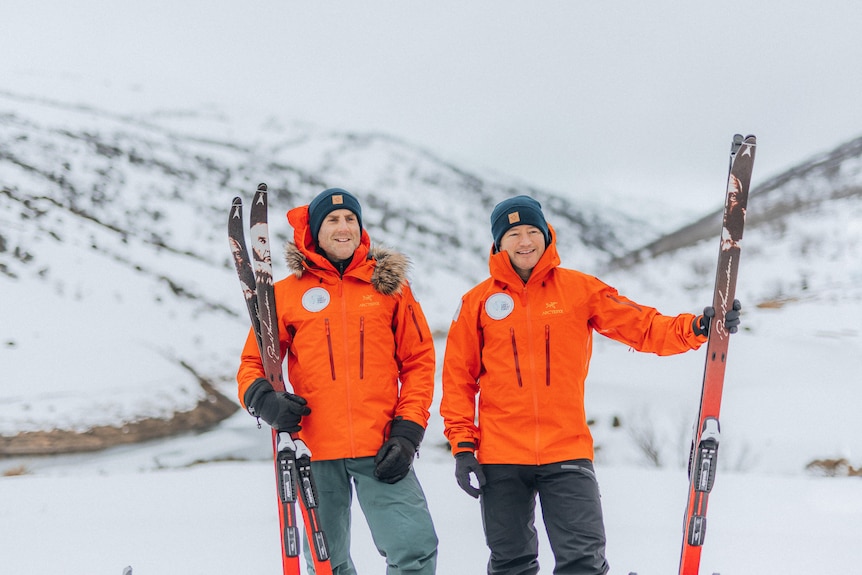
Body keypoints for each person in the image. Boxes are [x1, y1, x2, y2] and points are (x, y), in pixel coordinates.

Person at [440, 195, 741, 575]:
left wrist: (696, 328)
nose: (524, 241)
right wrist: (463, 446)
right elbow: (457, 381)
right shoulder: (476, 303)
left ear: (547, 235)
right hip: (500, 456)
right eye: (513, 233)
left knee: (583, 563)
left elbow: (642, 326)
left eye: (532, 230)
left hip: (566, 452)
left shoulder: (579, 290)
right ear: (499, 243)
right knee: (510, 564)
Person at [237, 188, 438, 575]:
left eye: (350, 219)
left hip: (382, 445)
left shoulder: (389, 290)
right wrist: (262, 399)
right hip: (312, 450)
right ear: (314, 230)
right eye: (332, 220)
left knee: (414, 548)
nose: (343, 227)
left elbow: (418, 362)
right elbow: (252, 364)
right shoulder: (285, 295)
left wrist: (409, 429)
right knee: (329, 563)